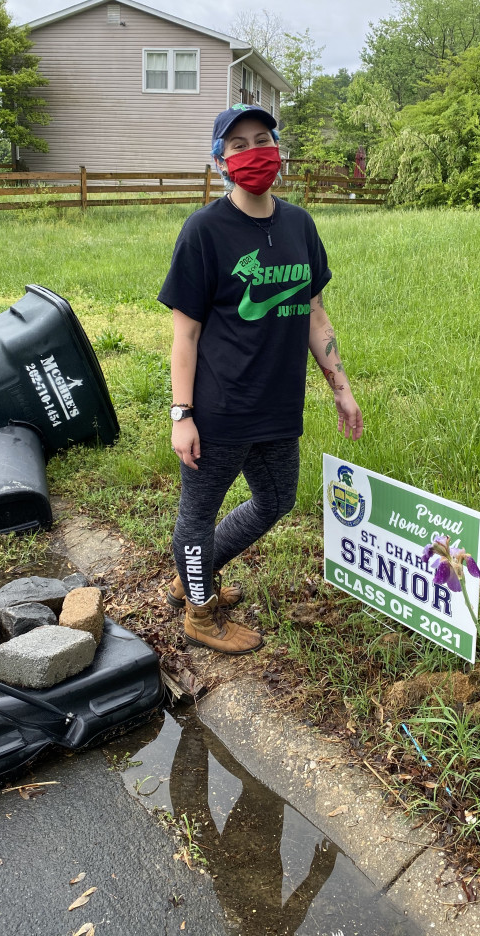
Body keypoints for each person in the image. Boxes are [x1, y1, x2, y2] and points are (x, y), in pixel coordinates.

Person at [158, 103, 363, 655]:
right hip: (220, 407)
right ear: (220, 161)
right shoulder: (204, 231)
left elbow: (315, 314)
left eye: (263, 140)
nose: (255, 152)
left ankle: (193, 577)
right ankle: (199, 613)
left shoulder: (299, 224)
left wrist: (342, 390)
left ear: (278, 150)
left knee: (275, 500)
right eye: (239, 145)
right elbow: (185, 336)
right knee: (197, 517)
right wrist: (182, 415)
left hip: (277, 403)